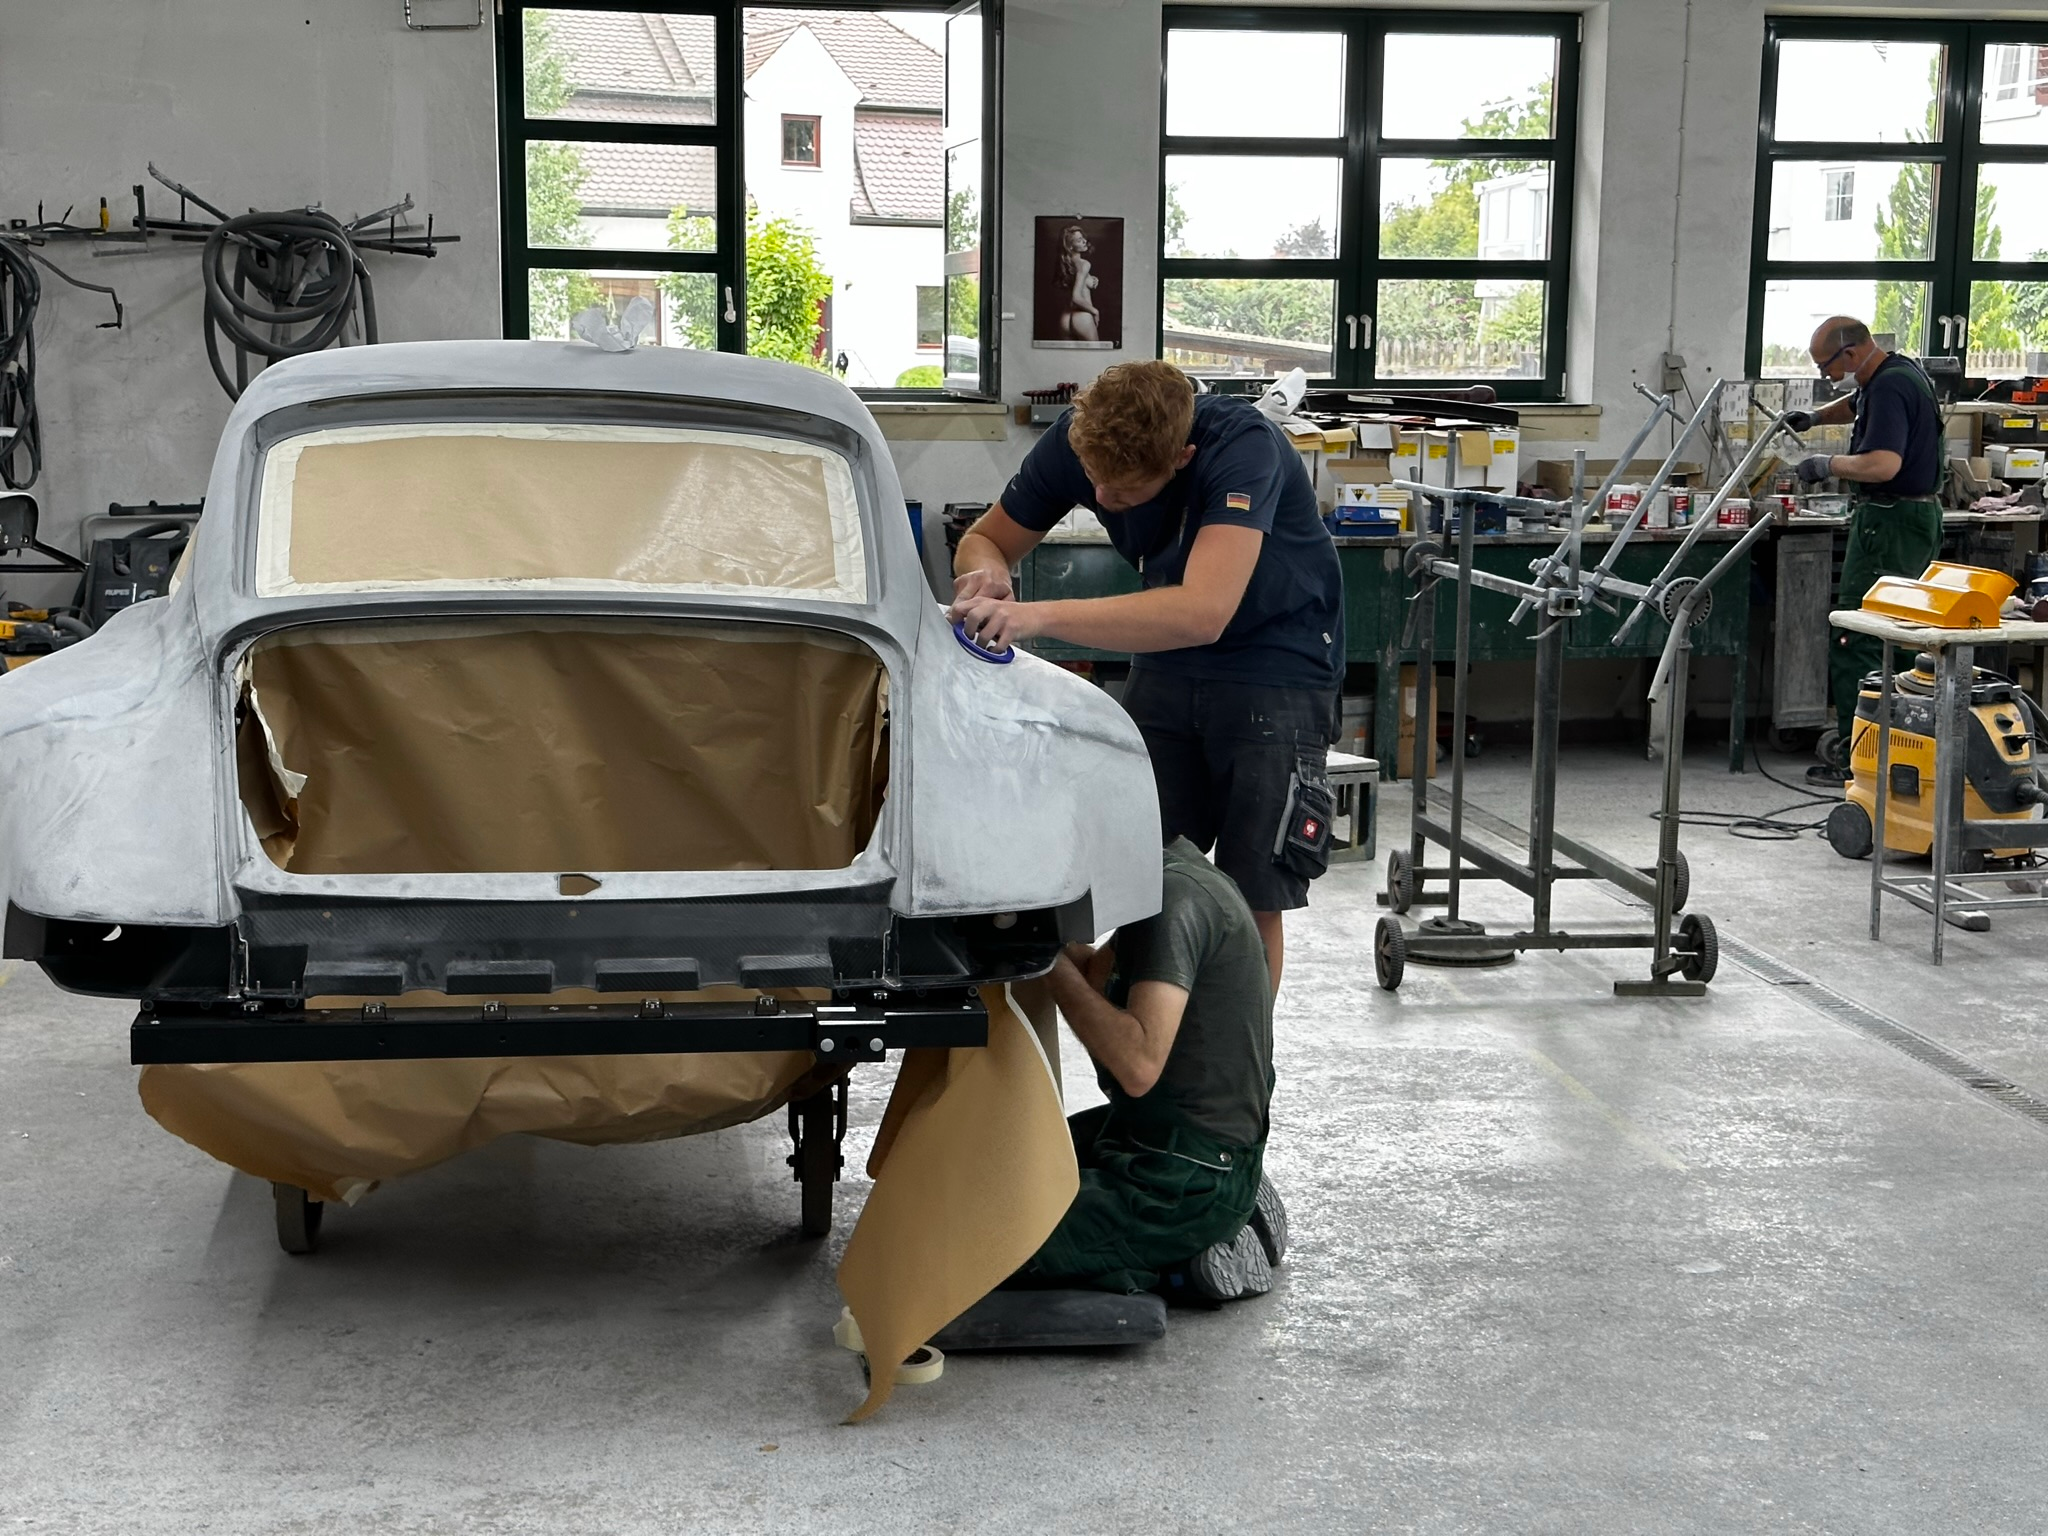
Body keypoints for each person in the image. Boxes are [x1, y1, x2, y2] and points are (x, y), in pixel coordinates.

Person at [948, 360, 1345, 991]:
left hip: (1275, 668)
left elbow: (1201, 611)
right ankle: (1149, 1057)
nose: (1102, 499)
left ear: (1182, 456)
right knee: (1141, 872)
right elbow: (984, 537)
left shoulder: (1243, 448)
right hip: (1170, 659)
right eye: (1093, 482)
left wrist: (1031, 617)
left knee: (1250, 894)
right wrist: (989, 570)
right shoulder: (1085, 439)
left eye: (1124, 491)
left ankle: (1239, 1078)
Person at [1020, 838, 1285, 1303]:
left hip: (1187, 1174)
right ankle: (1222, 1217)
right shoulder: (1168, 877)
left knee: (991, 1240)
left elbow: (1138, 1063)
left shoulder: (1173, 905)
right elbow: (1096, 979)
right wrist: (1033, 934)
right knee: (1013, 1165)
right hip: (1157, 1136)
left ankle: (1185, 1258)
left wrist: (1045, 962)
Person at [1785, 316, 1944, 785]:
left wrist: (1825, 463)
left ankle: (1860, 759)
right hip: (1910, 518)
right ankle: (1889, 749)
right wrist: (1813, 419)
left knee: (1858, 637)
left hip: (1890, 523)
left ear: (1850, 354)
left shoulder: (1891, 388)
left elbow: (1882, 463)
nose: (1825, 377)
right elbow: (1857, 404)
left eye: (1826, 367)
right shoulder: (1895, 372)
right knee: (1892, 636)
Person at [1057, 224, 1100, 343]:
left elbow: (1076, 283)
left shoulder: (1066, 264)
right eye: (1079, 240)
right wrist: (1095, 311)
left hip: (1065, 318)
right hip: (1082, 317)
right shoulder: (1084, 264)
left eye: (1083, 238)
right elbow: (1076, 297)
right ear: (1070, 246)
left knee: (1067, 360)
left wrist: (1091, 279)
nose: (1084, 241)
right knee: (1094, 359)